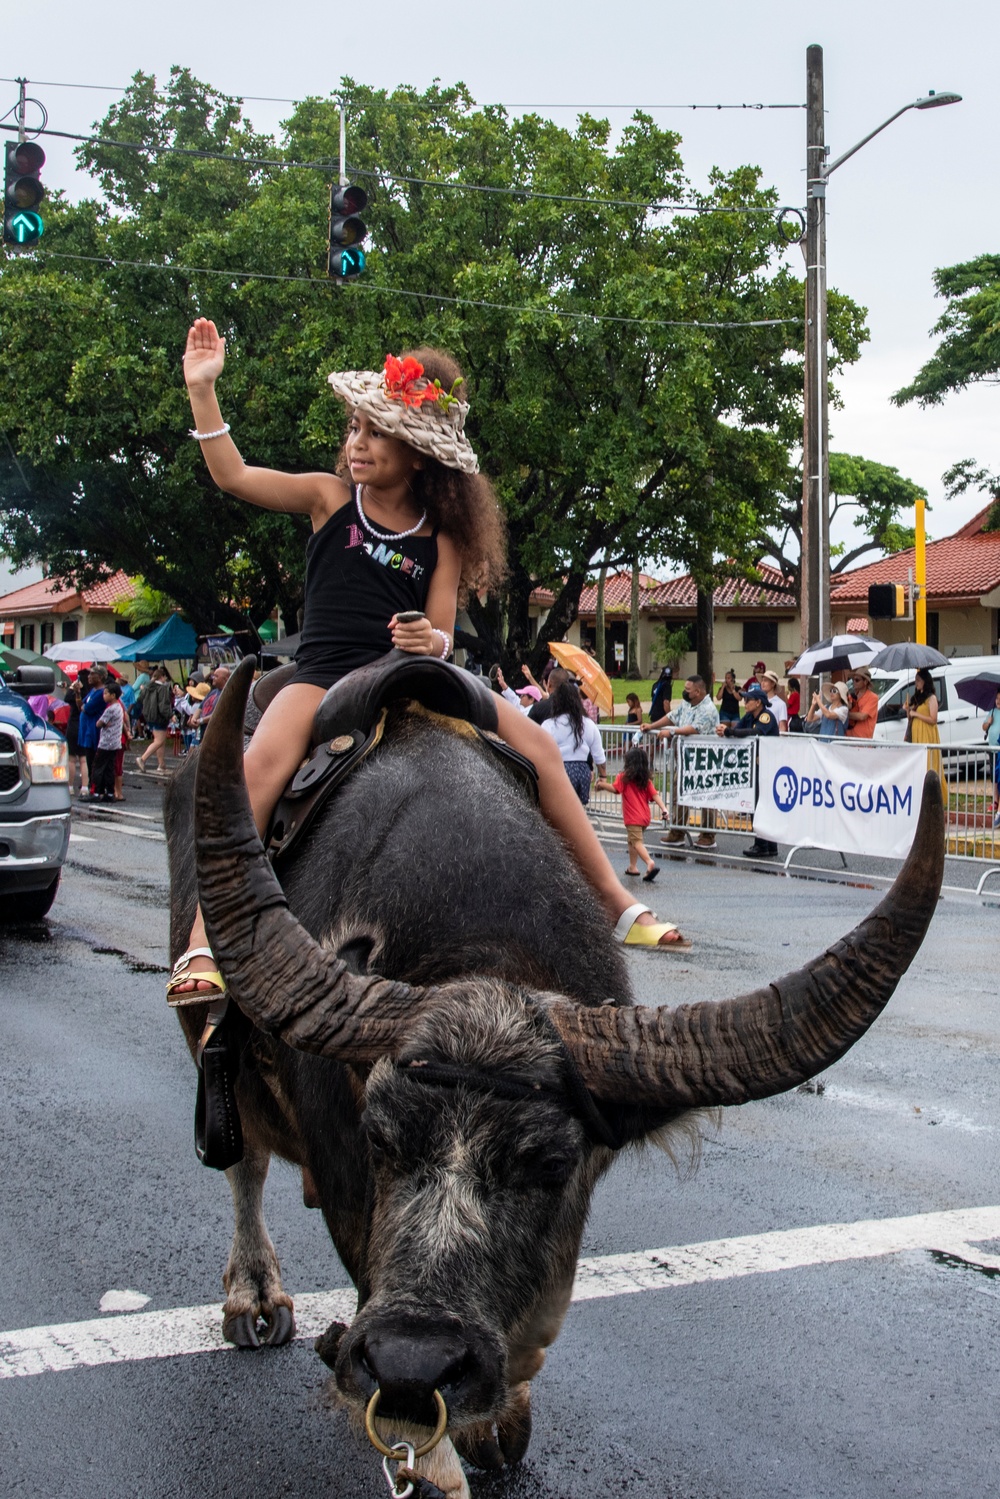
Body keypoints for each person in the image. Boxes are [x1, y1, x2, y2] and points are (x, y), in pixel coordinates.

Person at [169, 324, 683, 1003]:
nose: (356, 444)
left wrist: (429, 642)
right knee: (255, 772)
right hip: (324, 674)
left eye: (375, 433)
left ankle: (618, 902)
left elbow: (443, 631)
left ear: (417, 455)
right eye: (354, 428)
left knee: (539, 748)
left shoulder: (438, 539)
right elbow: (230, 474)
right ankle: (205, 941)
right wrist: (203, 390)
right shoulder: (327, 498)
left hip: (415, 677)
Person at [651, 675, 721, 850]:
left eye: (688, 689)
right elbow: (672, 716)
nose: (684, 691)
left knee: (706, 797)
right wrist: (652, 726)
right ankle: (678, 831)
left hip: (705, 761)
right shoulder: (687, 704)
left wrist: (672, 733)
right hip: (685, 760)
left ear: (698, 692)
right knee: (678, 793)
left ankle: (708, 835)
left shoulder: (708, 709)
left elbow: (694, 728)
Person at [715, 684, 780, 858]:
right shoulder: (750, 716)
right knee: (760, 804)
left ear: (758, 702)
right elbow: (738, 728)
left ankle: (762, 844)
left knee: (759, 805)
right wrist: (725, 730)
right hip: (758, 766)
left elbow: (756, 732)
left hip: (766, 766)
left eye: (748, 699)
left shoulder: (766, 716)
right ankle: (769, 845)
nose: (745, 702)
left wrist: (730, 731)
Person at [596, 746, 670, 886]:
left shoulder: (624, 777)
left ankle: (649, 862)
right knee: (631, 841)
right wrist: (664, 809)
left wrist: (602, 784)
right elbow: (655, 795)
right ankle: (632, 867)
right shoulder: (645, 780)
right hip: (644, 817)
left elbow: (616, 789)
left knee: (636, 842)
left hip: (633, 818)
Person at [540, 679, 607, 806]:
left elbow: (541, 753)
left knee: (559, 809)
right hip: (582, 772)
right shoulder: (588, 724)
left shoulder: (549, 725)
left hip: (558, 770)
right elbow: (599, 755)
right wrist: (603, 776)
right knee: (579, 809)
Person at [77, 666, 109, 798]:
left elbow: (87, 708)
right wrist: (78, 692)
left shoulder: (101, 693)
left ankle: (97, 789)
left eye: (92, 674)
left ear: (100, 677)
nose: (88, 677)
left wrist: (84, 707)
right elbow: (81, 705)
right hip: (86, 731)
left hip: (93, 732)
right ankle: (93, 787)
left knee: (94, 761)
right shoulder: (92, 691)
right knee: (89, 760)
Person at [906, 666, 942, 781]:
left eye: (918, 680)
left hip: (926, 734)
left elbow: (933, 719)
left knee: (928, 763)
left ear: (925, 682)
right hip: (916, 734)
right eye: (915, 680)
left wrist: (917, 715)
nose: (916, 683)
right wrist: (908, 710)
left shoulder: (932, 698)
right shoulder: (917, 698)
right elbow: (910, 718)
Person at [92, 682, 124, 803]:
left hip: (106, 743)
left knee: (99, 767)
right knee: (110, 768)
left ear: (113, 695)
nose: (103, 696)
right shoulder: (119, 708)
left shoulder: (110, 709)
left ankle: (97, 792)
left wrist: (103, 723)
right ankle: (110, 792)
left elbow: (98, 723)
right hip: (115, 742)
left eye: (106, 693)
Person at [137, 667, 173, 773]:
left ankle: (161, 764)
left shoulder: (148, 687)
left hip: (149, 716)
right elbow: (163, 706)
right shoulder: (162, 688)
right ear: (162, 677)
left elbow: (139, 699)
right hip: (160, 717)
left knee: (160, 741)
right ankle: (142, 759)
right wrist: (170, 715)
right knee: (159, 741)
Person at [983, 685, 1000, 829]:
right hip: (992, 749)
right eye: (997, 699)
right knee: (994, 776)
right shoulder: (992, 712)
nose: (998, 701)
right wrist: (988, 723)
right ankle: (995, 801)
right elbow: (983, 726)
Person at [845, 665, 878, 739]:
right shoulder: (851, 696)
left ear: (865, 682)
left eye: (857, 680)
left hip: (862, 741)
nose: (854, 682)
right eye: (853, 680)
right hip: (848, 738)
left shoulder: (873, 697)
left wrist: (844, 713)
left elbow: (862, 716)